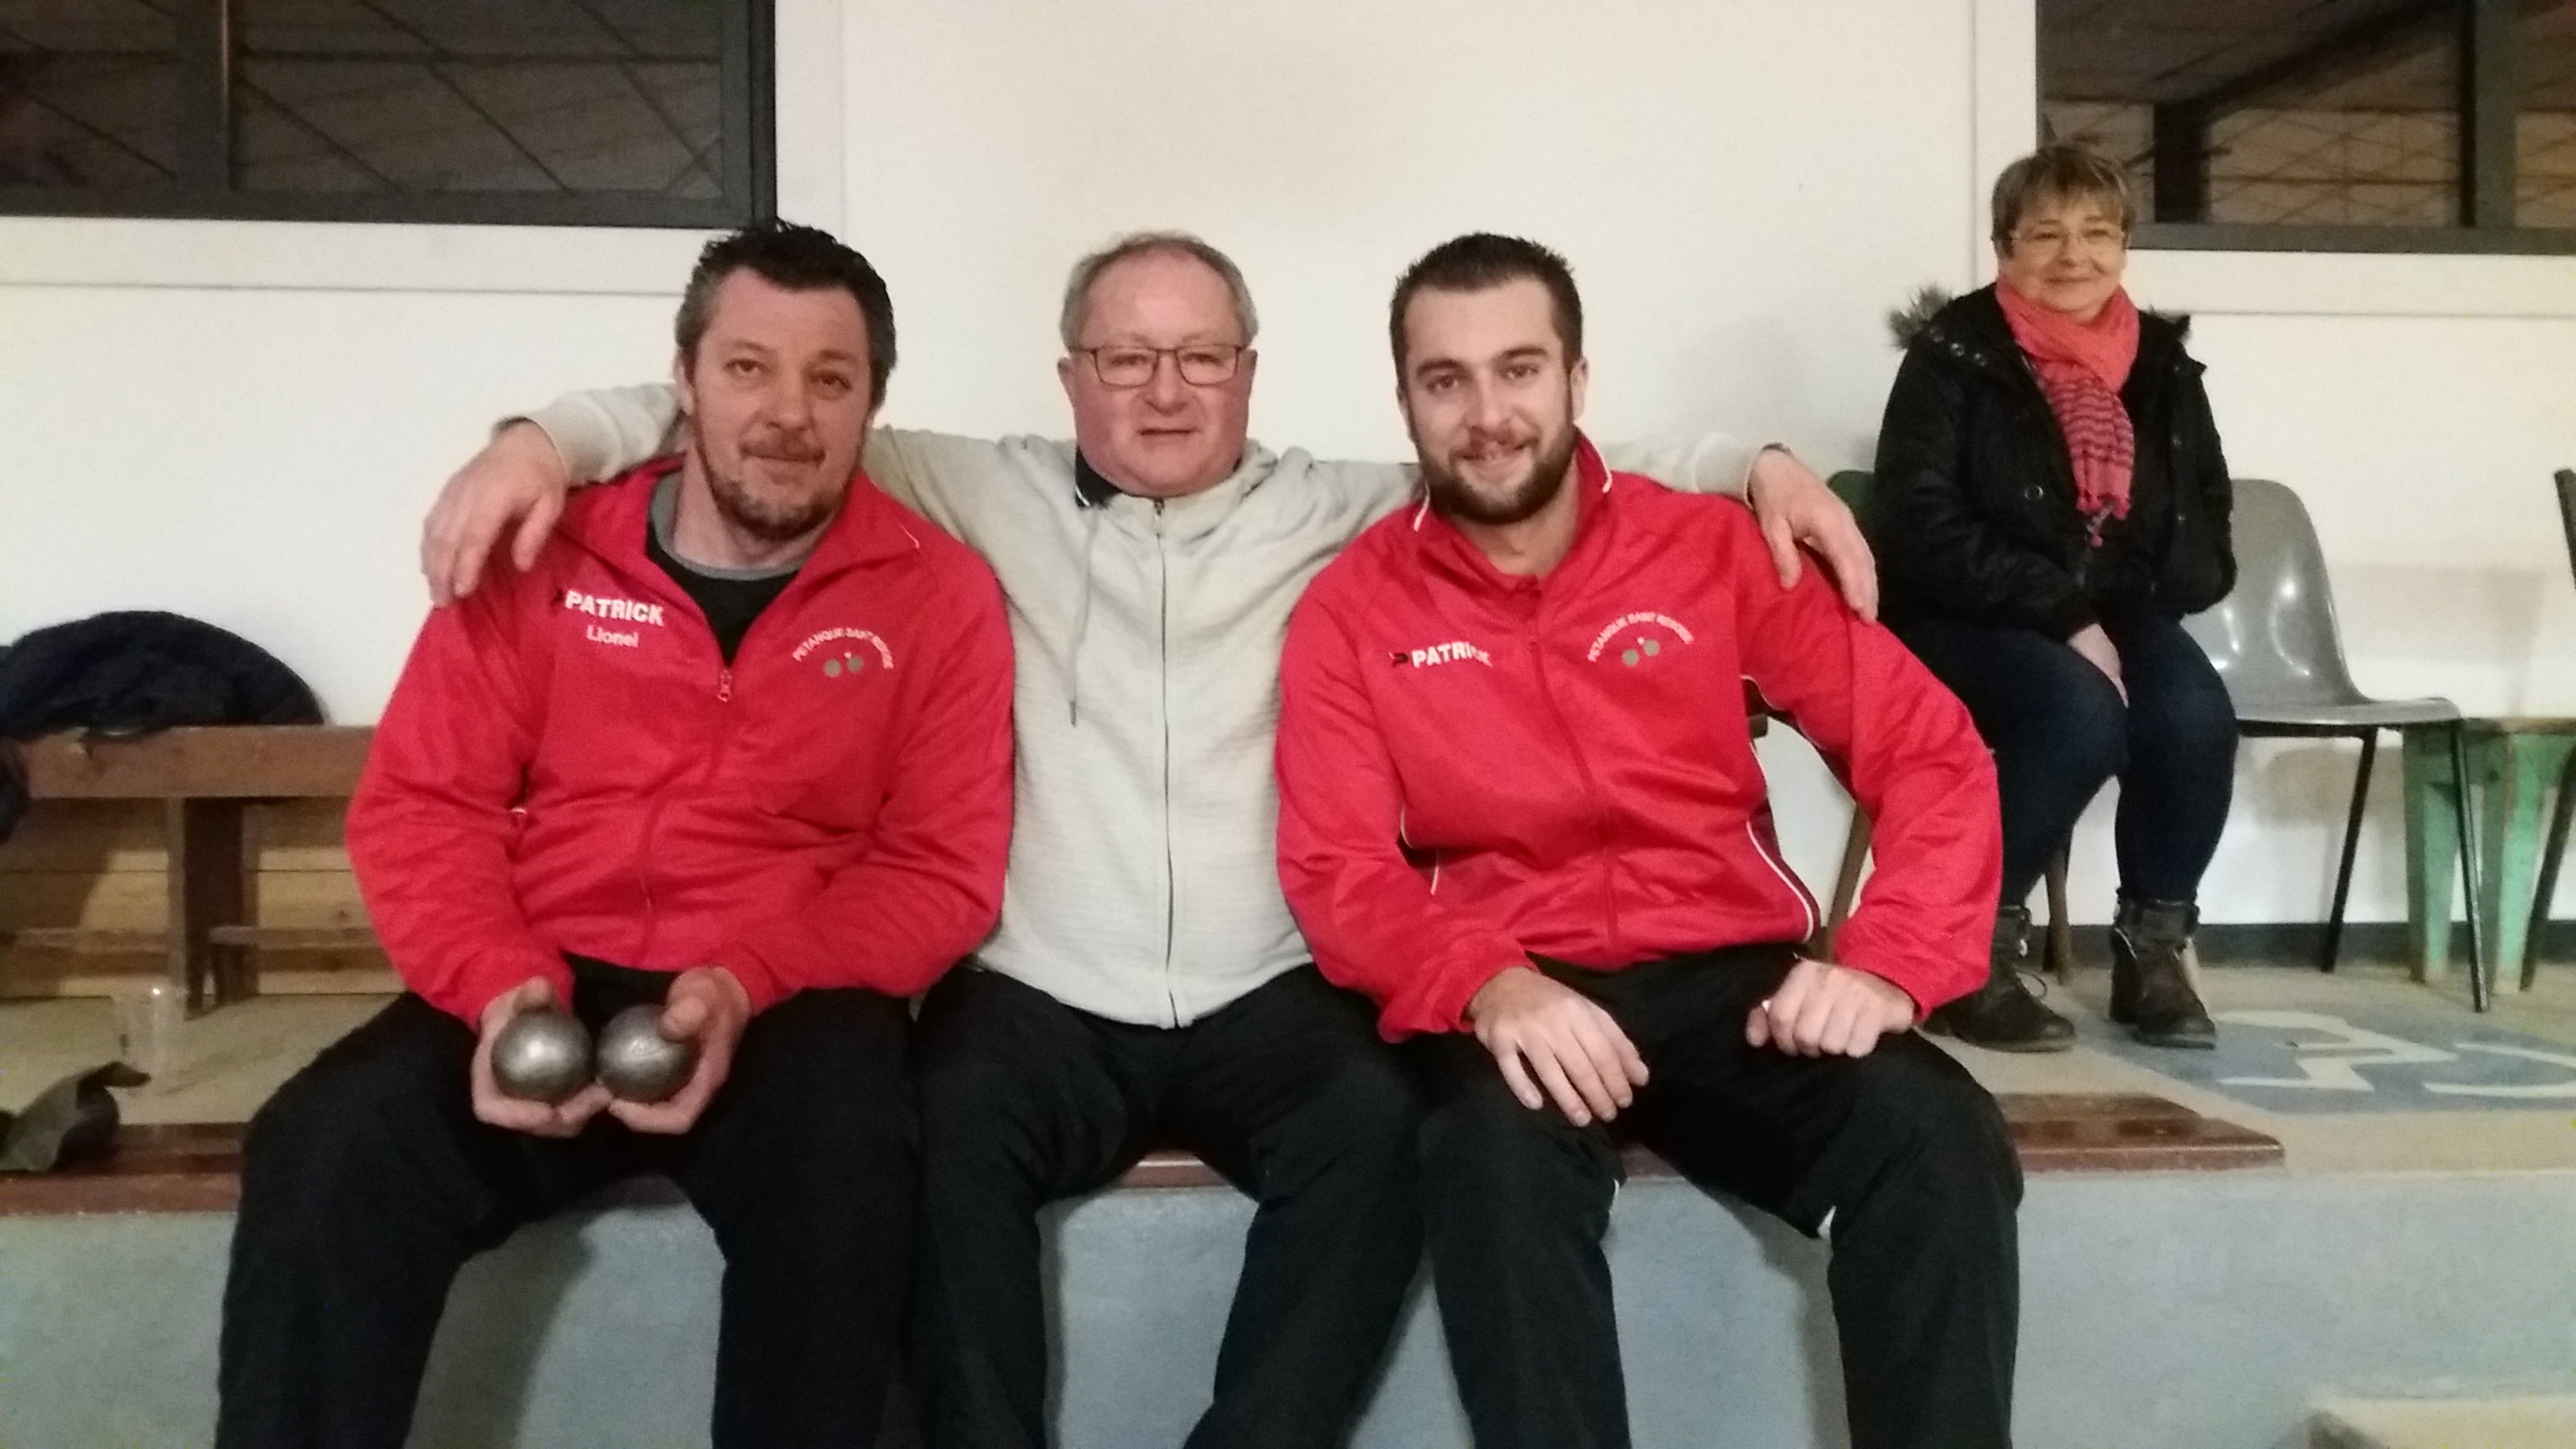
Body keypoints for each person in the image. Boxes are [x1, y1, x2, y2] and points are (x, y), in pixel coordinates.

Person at [419, 230, 1878, 1449]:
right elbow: (757, 408)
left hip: (1269, 982)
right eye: (1124, 356)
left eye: (1199, 357)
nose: (1163, 390)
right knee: (931, 1134)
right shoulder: (960, 484)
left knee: (1384, 1132)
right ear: (1072, 376)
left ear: (1248, 372)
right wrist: (543, 438)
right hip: (1041, 984)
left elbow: (1543, 442)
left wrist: (1748, 459)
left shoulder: (1352, 509)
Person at [215, 221, 1016, 1449]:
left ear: (873, 408)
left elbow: (938, 867)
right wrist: (494, 988)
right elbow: (427, 807)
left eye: (831, 379)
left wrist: (751, 983)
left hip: (782, 988)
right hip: (539, 967)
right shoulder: (543, 555)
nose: (787, 412)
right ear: (682, 381)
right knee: (325, 1149)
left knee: (854, 1175)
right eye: (749, 367)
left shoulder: (941, 593)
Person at [1275, 233, 2022, 1449]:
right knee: (1485, 1161)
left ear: (1578, 382)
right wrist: (1487, 982)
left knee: (1939, 1138)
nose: (1487, 414)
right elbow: (1338, 868)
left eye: (1519, 370)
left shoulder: (1713, 551)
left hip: (1736, 982)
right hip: (1526, 987)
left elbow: (1930, 752)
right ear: (1404, 398)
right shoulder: (1353, 608)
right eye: (1445, 379)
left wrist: (1887, 963)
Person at [1872, 144, 2237, 1051]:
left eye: (2097, 232)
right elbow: (1922, 527)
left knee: (2192, 713)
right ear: (2004, 248)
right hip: (1957, 611)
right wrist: (2064, 612)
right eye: (2045, 234)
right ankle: (1970, 950)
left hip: (2111, 607)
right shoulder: (1953, 354)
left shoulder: (2160, 363)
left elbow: (2205, 509)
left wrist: (2158, 584)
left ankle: (2152, 950)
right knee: (2077, 715)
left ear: (2124, 246)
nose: (2073, 255)